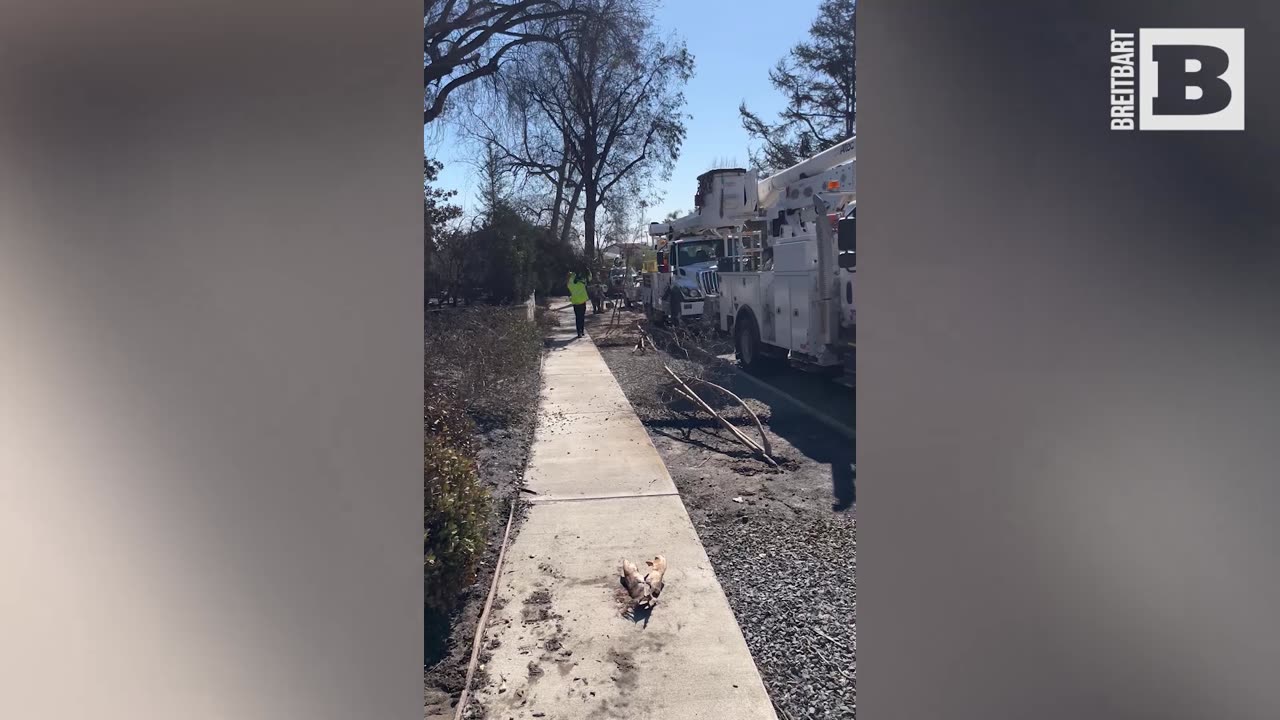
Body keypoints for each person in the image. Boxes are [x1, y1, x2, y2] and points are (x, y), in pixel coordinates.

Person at [566, 270, 589, 338]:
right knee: (582, 317)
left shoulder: (570, 284)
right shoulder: (581, 282)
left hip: (576, 302)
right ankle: (581, 331)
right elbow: (588, 278)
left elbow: (567, 284)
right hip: (582, 301)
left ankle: (579, 332)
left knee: (578, 317)